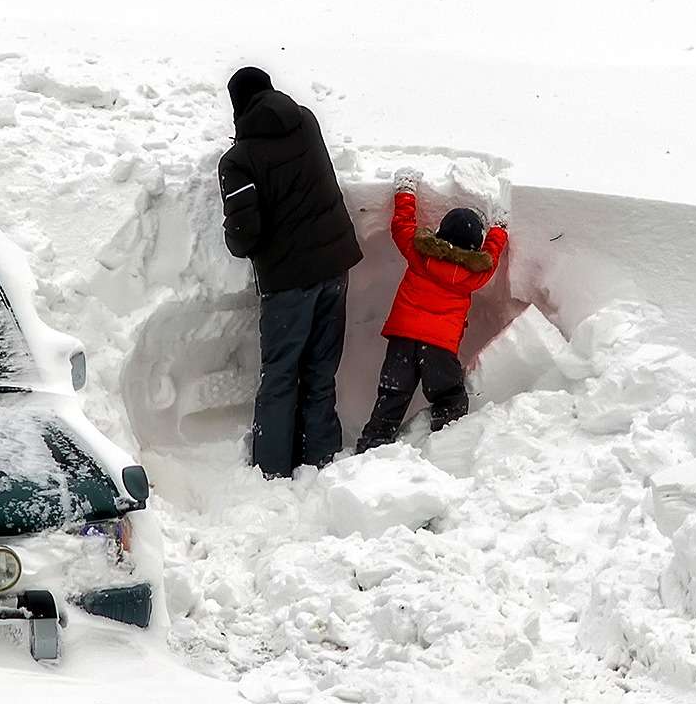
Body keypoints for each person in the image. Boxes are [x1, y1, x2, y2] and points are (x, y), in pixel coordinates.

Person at [217, 67, 363, 479]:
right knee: (320, 370)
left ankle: (272, 470)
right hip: (335, 267)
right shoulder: (306, 121)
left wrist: (233, 235)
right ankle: (319, 459)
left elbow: (245, 237)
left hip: (289, 283)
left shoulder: (238, 161)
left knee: (280, 376)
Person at [356, 167, 509, 451]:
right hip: (439, 350)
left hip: (402, 341)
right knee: (450, 397)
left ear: (439, 232)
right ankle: (443, 446)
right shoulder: (473, 275)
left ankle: (371, 446)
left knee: (391, 397)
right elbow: (492, 256)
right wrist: (499, 228)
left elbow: (401, 226)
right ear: (474, 248)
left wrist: (406, 190)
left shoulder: (420, 253)